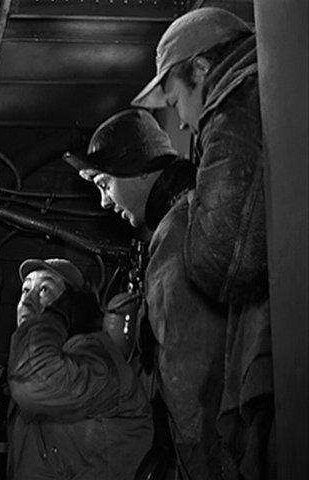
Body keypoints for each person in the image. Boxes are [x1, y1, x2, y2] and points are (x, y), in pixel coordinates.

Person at [132, 7, 274, 479]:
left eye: (175, 102)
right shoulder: (268, 91)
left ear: (201, 68)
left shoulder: (236, 109)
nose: (184, 123)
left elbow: (222, 263)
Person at [67, 108, 228, 479]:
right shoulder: (188, 214)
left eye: (104, 184)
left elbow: (188, 374)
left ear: (138, 169)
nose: (105, 201)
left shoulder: (175, 232)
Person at [7, 257, 153, 480]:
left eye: (45, 290)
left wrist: (57, 314)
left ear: (71, 305)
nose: (27, 301)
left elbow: (33, 379)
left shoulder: (96, 361)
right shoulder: (47, 361)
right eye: (25, 290)